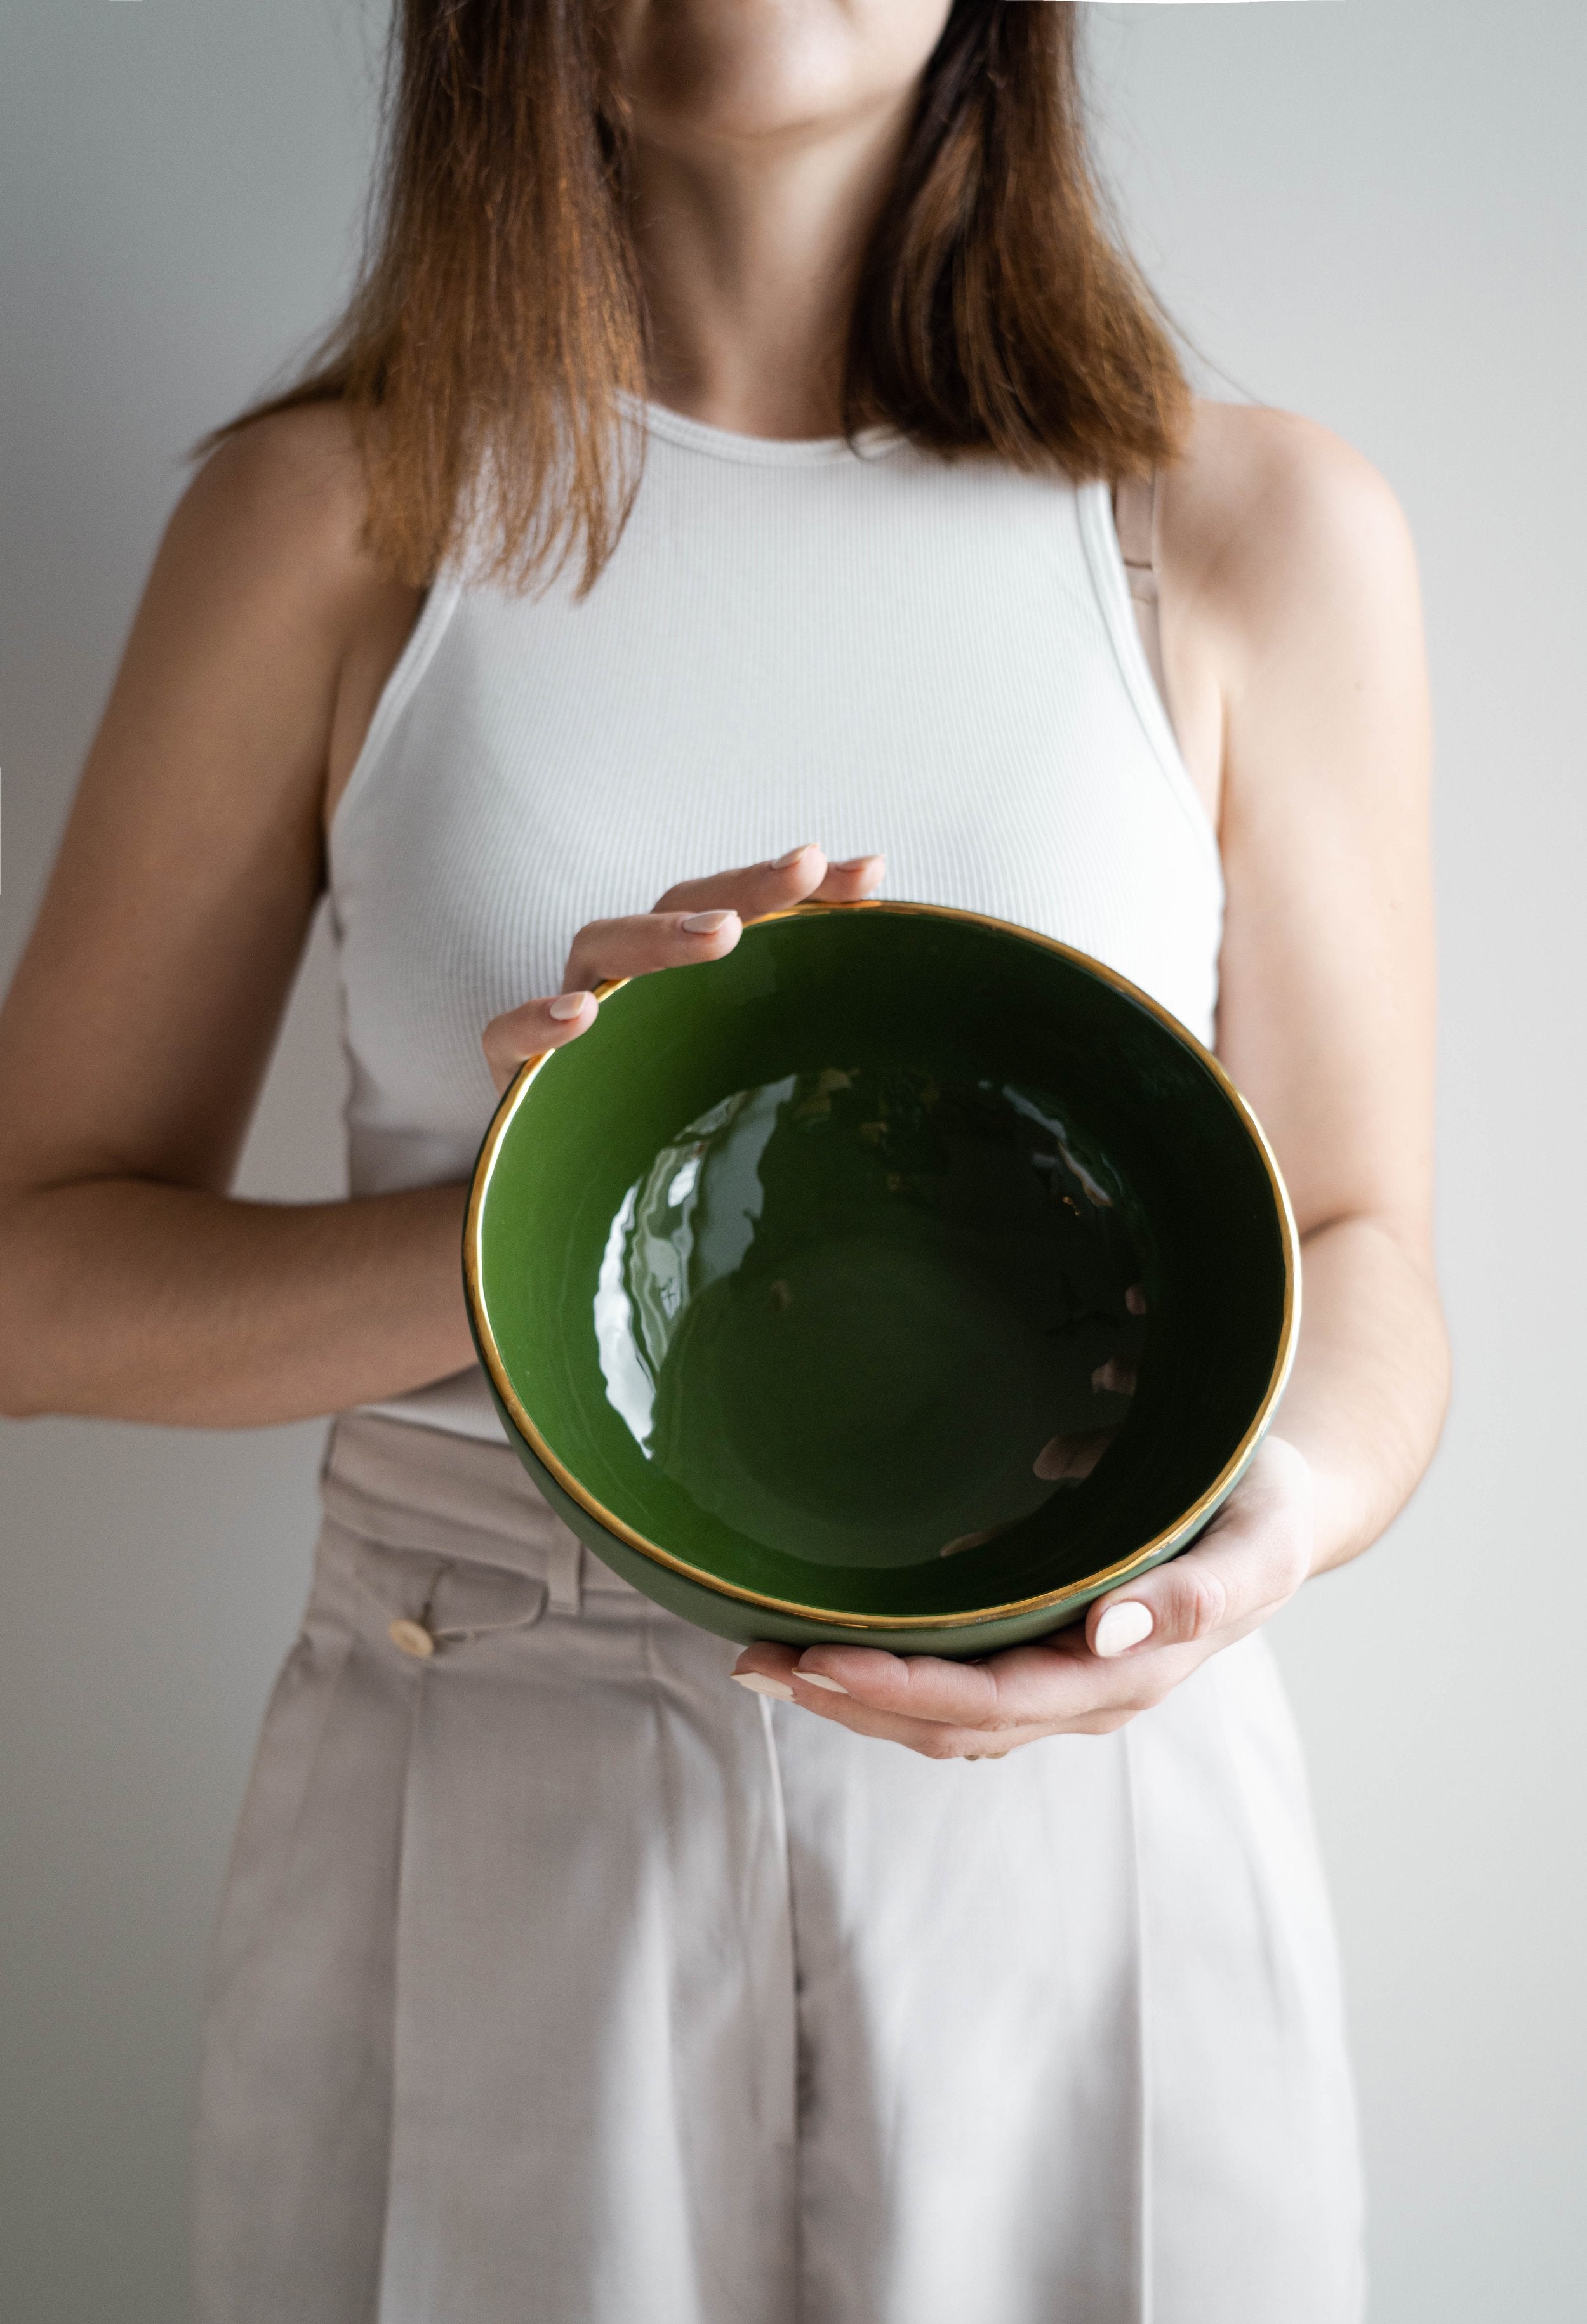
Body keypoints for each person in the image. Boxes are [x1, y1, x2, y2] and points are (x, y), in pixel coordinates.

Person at [0, 3, 1448, 2319]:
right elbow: (29, 1275)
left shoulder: (1246, 523)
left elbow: (1362, 1241)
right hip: (482, 1774)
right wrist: (550, 1203)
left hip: (1077, 1804)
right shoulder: (328, 519)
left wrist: (1233, 1554)